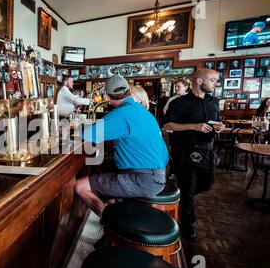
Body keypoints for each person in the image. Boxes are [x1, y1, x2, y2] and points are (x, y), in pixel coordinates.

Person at [75, 74, 169, 222]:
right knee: (100, 164)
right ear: (129, 92)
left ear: (107, 96)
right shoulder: (141, 111)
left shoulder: (121, 114)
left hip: (144, 178)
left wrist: (73, 128)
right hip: (156, 173)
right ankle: (113, 204)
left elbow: (87, 134)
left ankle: (111, 223)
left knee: (80, 186)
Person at [163, 69, 225, 240]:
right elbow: (167, 124)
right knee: (188, 190)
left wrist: (219, 126)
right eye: (212, 80)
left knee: (206, 184)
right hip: (185, 152)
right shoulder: (180, 103)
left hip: (207, 151)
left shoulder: (214, 102)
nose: (215, 83)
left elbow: (216, 121)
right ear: (199, 81)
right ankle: (188, 224)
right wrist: (193, 126)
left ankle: (180, 196)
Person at [163, 79, 192, 180]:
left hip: (188, 132)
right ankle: (173, 171)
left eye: (178, 86)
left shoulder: (191, 100)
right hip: (174, 131)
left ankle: (185, 173)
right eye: (175, 86)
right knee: (175, 152)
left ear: (186, 87)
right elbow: (165, 111)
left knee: (187, 152)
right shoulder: (172, 99)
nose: (176, 88)